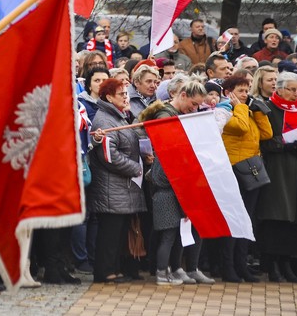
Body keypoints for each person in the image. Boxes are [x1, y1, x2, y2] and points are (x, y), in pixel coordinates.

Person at [140, 80, 215, 286]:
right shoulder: (166, 116)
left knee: (181, 231)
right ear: (182, 95)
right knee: (169, 235)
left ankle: (178, 269)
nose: (195, 109)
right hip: (169, 185)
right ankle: (165, 271)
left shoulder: (177, 115)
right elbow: (170, 152)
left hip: (178, 184)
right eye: (193, 104)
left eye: (198, 105)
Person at [86, 77, 147, 283]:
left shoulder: (120, 117)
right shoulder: (104, 119)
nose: (126, 97)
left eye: (126, 93)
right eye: (121, 94)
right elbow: (108, 155)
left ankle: (115, 269)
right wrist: (135, 168)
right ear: (109, 97)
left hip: (122, 188)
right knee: (109, 234)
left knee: (119, 233)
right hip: (111, 187)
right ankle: (104, 272)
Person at [257, 71, 297, 283]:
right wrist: (286, 144)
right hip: (277, 169)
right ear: (279, 89)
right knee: (277, 216)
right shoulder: (268, 109)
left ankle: (289, 264)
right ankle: (273, 266)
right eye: (292, 89)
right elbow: (265, 140)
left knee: (296, 218)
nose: (296, 94)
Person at [218, 75, 273, 283]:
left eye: (247, 90)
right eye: (240, 91)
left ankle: (241, 265)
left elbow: (267, 134)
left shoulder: (246, 111)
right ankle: (228, 266)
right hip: (233, 170)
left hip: (251, 170)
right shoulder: (224, 111)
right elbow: (239, 127)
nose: (245, 95)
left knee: (246, 219)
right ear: (228, 92)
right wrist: (240, 106)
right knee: (234, 220)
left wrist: (258, 112)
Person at [73, 66, 110, 275]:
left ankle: (93, 256)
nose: (102, 84)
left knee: (94, 216)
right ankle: (81, 259)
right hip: (84, 167)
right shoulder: (82, 106)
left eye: (105, 80)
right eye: (97, 80)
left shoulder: (111, 105)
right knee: (84, 215)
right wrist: (94, 140)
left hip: (101, 169)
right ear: (88, 84)